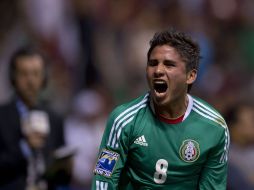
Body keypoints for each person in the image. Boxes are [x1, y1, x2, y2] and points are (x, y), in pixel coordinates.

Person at [92, 28, 230, 190]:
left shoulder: (214, 128)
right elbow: (103, 178)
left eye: (169, 65)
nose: (158, 71)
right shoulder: (123, 120)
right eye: (153, 63)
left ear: (190, 76)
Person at [0, 46, 65, 190]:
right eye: (24, 74)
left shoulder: (55, 118)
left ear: (44, 78)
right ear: (13, 77)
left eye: (35, 73)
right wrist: (24, 148)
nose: (30, 80)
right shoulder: (2, 117)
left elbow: (62, 178)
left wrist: (65, 167)